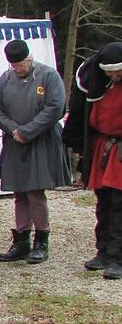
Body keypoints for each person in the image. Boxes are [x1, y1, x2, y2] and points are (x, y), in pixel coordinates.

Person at [0, 40, 70, 264]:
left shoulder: (48, 76)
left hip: (40, 140)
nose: (17, 69)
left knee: (35, 191)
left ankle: (41, 240)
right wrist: (13, 130)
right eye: (13, 66)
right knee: (19, 192)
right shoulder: (5, 79)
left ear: (30, 58)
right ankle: (21, 239)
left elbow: (56, 107)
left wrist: (28, 131)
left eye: (21, 65)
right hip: (15, 140)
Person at [63, 42, 122, 280]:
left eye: (117, 72)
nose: (114, 76)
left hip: (119, 149)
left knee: (120, 204)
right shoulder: (95, 81)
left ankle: (118, 258)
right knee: (103, 201)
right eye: (110, 72)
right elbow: (80, 113)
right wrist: (78, 146)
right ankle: (104, 252)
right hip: (101, 146)